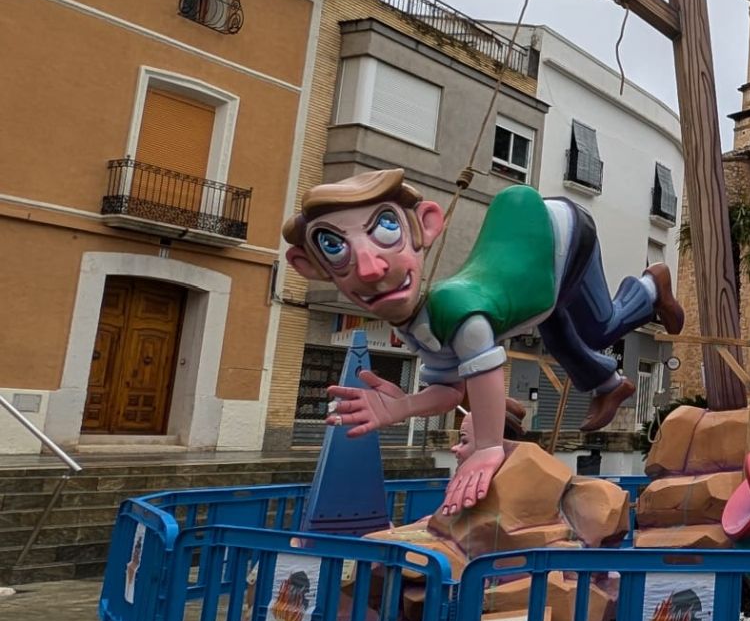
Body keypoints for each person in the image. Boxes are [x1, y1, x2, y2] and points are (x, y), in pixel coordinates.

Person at [286, 168, 681, 515]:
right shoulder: (418, 323)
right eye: (334, 249)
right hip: (525, 259)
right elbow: (449, 388)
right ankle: (610, 384)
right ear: (311, 268)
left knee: (595, 329)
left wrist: (489, 447)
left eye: (387, 229)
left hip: (559, 231)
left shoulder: (460, 312)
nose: (371, 268)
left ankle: (649, 287)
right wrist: (401, 407)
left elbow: (486, 371)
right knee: (557, 331)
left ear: (425, 224)